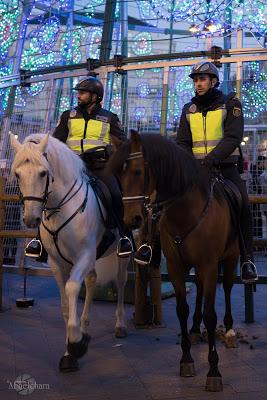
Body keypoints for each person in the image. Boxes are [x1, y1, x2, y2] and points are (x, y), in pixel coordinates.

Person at [25, 76, 133, 259]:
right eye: (78, 93)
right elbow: (55, 141)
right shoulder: (68, 116)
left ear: (95, 96)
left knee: (115, 194)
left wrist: (114, 156)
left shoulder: (109, 118)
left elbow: (123, 144)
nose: (78, 96)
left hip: (100, 166)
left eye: (82, 93)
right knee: (48, 192)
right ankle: (39, 241)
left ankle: (124, 237)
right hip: (72, 167)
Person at [174, 60, 258, 283]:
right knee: (168, 201)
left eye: (202, 80)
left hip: (225, 169)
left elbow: (233, 137)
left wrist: (212, 159)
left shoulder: (230, 103)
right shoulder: (188, 109)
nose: (198, 84)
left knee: (242, 206)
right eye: (195, 81)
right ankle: (151, 249)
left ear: (213, 81)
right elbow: (182, 141)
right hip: (196, 172)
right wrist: (189, 163)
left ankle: (247, 260)